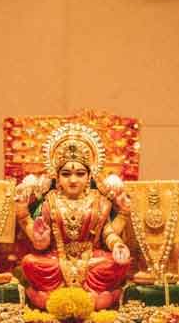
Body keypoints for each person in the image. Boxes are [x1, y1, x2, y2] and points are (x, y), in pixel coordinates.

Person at [15, 123, 132, 310]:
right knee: (30, 263)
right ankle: (94, 297)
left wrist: (117, 245)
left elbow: (107, 233)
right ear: (57, 177)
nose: (73, 180)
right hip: (56, 260)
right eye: (66, 174)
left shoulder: (100, 201)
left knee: (117, 264)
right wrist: (41, 238)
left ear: (89, 176)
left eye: (80, 173)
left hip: (93, 259)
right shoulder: (50, 201)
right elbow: (41, 245)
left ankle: (55, 296)